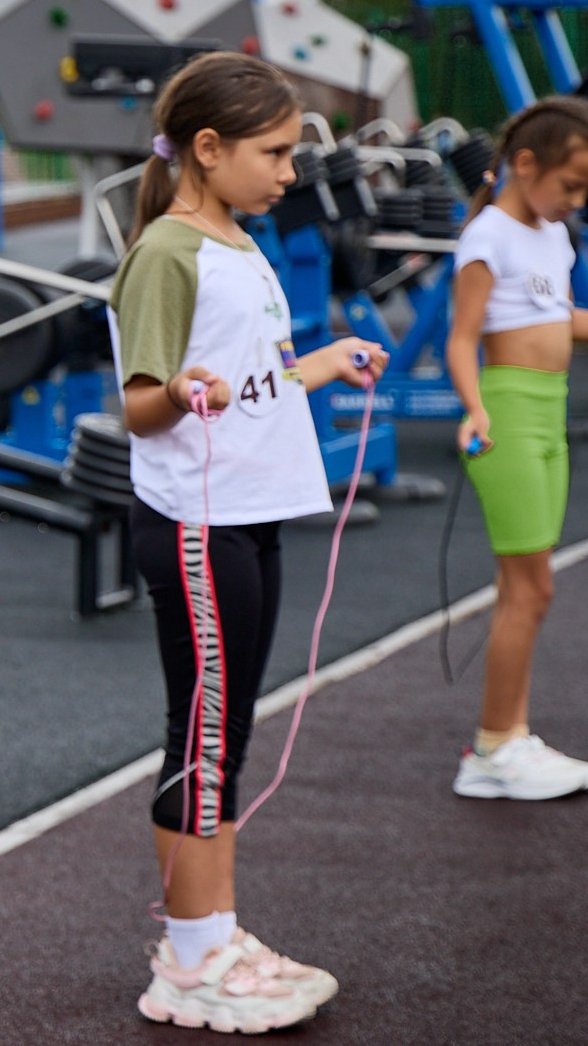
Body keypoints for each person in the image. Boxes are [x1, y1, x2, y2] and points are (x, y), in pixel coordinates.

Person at [108, 51, 385, 1034]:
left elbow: (247, 374)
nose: (286, 173)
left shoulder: (232, 237)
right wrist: (181, 393)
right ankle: (191, 957)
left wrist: (319, 361)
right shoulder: (165, 250)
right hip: (195, 525)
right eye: (272, 153)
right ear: (206, 147)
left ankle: (210, 934)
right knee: (204, 735)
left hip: (247, 517)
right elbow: (141, 401)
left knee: (223, 736)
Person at [446, 97, 588, 802]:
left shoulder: (551, 235)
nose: (576, 201)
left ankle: (508, 736)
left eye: (585, 189)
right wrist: (477, 405)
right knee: (529, 587)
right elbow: (461, 337)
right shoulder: (489, 236)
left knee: (531, 589)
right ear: (524, 164)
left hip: (549, 414)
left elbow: (560, 317)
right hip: (508, 413)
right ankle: (492, 748)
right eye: (569, 185)